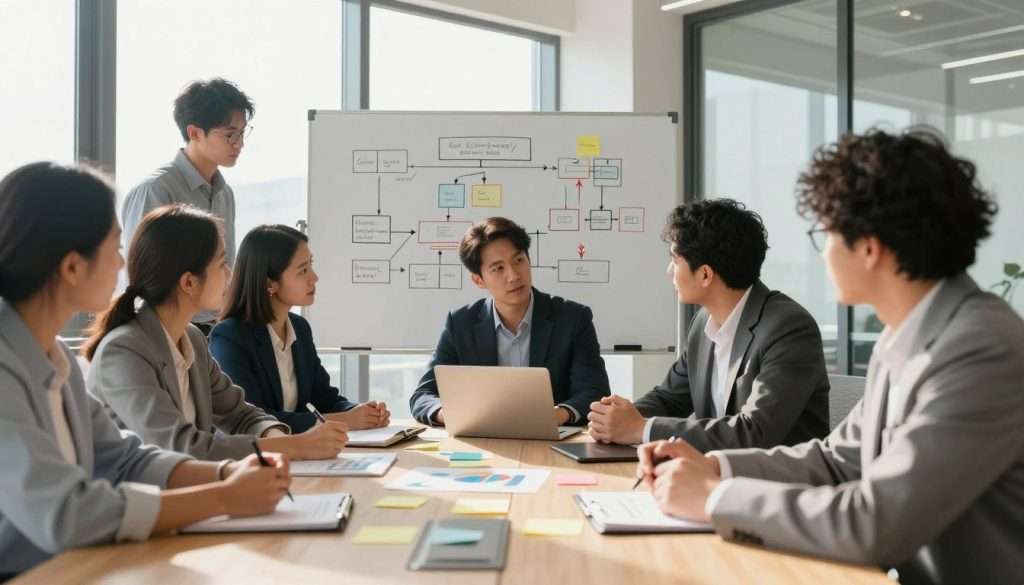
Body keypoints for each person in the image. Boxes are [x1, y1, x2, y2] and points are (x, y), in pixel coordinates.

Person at [636, 128, 1023, 585]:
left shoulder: (982, 349)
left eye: (827, 235)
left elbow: (877, 523)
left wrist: (713, 498)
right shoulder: (904, 336)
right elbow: (836, 461)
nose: (822, 256)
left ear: (870, 248)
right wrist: (715, 467)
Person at [0, 162, 290, 577]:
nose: (122, 265)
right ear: (72, 267)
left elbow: (124, 460)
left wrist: (227, 472)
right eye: (114, 247)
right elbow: (68, 514)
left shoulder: (54, 358)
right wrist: (225, 496)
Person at [84, 205, 348, 461]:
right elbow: (179, 446)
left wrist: (276, 438)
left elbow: (240, 414)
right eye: (222, 263)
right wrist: (293, 447)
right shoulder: (124, 351)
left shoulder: (192, 339)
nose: (230, 274)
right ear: (189, 282)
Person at [587, 199, 829, 451]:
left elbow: (755, 432)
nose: (669, 272)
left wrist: (641, 429)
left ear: (705, 274)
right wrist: (616, 419)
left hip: (774, 474)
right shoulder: (703, 322)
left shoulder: (788, 329)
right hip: (712, 469)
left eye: (675, 261)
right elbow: (670, 398)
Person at [409, 216, 611, 426]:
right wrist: (453, 415)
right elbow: (423, 396)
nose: (514, 275)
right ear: (478, 280)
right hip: (483, 438)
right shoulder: (460, 325)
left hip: (554, 437)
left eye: (518, 260)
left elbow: (594, 392)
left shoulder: (573, 318)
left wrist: (557, 415)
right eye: (498, 268)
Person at [211, 224, 390, 433]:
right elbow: (252, 419)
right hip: (258, 451)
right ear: (270, 284)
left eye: (310, 265)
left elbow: (324, 398)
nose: (314, 277)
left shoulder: (300, 328)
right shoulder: (230, 337)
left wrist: (361, 412)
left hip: (301, 450)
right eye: (303, 270)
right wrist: (345, 420)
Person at [121, 78, 254, 330]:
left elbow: (226, 268)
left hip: (214, 327)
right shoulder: (156, 190)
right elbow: (142, 282)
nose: (239, 143)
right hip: (168, 329)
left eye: (242, 132)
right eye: (230, 134)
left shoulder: (225, 194)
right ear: (194, 133)